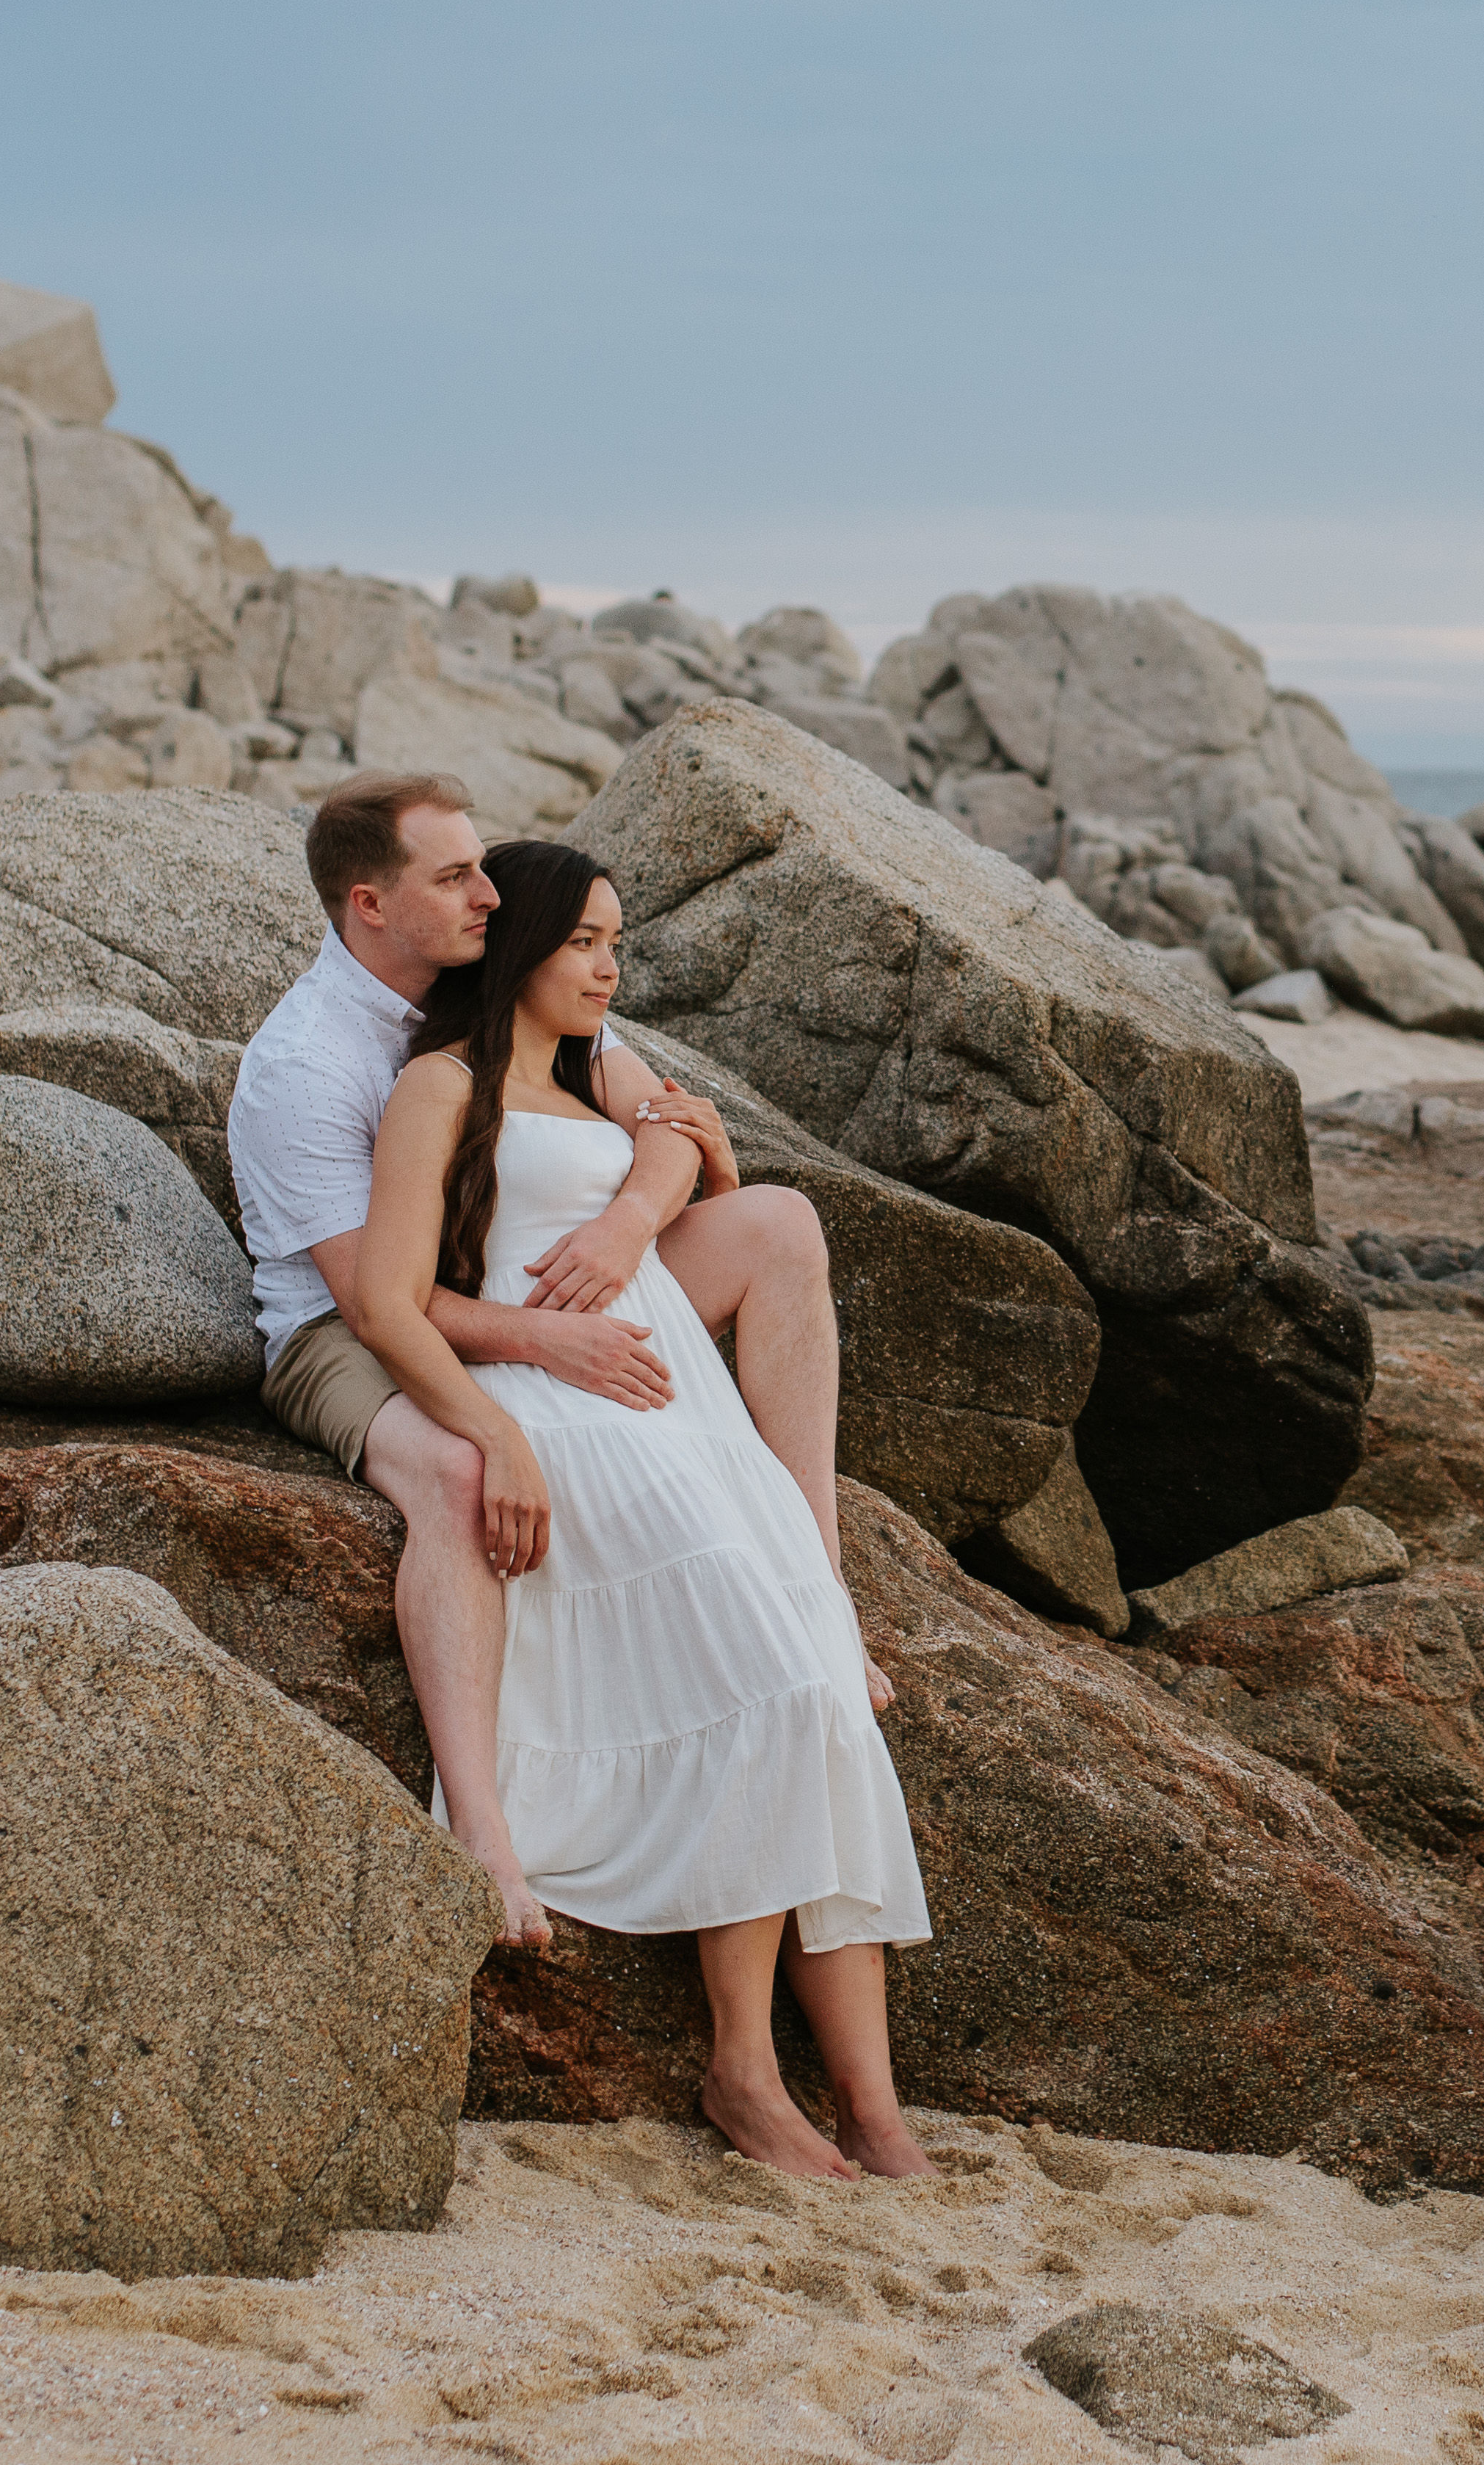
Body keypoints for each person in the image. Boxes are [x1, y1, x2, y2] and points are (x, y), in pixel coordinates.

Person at [354, 840, 931, 2184]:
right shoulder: (439, 1089)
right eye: (588, 945)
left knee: (821, 1703)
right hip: (567, 1400)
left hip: (679, 1402)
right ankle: (743, 2069)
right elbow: (395, 1298)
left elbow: (686, 1140)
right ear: (518, 951)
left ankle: (878, 2107)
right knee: (782, 1693)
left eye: (620, 943)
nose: (613, 969)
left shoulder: (594, 1068)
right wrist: (526, 1378)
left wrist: (631, 1217)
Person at [232, 774, 847, 1950]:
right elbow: (378, 1302)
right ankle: (484, 1835)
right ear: (369, 904)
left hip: (542, 1275)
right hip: (343, 1330)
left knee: (778, 1227)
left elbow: (669, 1121)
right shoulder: (309, 1062)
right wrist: (539, 1355)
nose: (488, 889)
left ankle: (819, 1591)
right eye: (454, 875)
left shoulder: (506, 979)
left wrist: (627, 1226)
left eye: (482, 866)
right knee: (463, 1480)